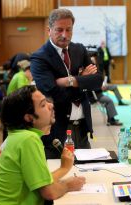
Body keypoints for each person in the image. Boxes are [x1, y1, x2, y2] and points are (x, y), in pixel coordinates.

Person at [0, 85, 86, 205]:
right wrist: (68, 185)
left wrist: (64, 168)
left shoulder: (17, 137)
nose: (51, 105)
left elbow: (41, 182)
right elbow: (49, 192)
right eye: (43, 105)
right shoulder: (28, 139)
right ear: (29, 117)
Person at [30, 9, 103, 159]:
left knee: (86, 177)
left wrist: (71, 80)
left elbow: (97, 80)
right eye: (59, 30)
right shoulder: (40, 57)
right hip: (57, 133)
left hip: (82, 129)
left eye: (68, 30)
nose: (65, 34)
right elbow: (55, 94)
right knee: (60, 177)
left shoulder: (79, 50)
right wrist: (83, 80)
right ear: (49, 30)